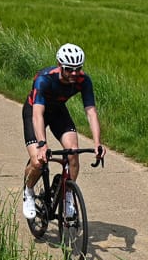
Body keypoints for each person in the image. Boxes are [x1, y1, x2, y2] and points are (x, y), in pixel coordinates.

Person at [21, 43, 105, 220]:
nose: (74, 74)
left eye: (78, 69)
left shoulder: (84, 80)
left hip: (58, 111)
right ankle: (28, 192)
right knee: (37, 161)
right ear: (59, 65)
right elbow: (37, 115)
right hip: (34, 111)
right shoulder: (44, 79)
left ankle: (68, 196)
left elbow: (91, 112)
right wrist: (42, 145)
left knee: (73, 153)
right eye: (69, 69)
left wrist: (97, 143)